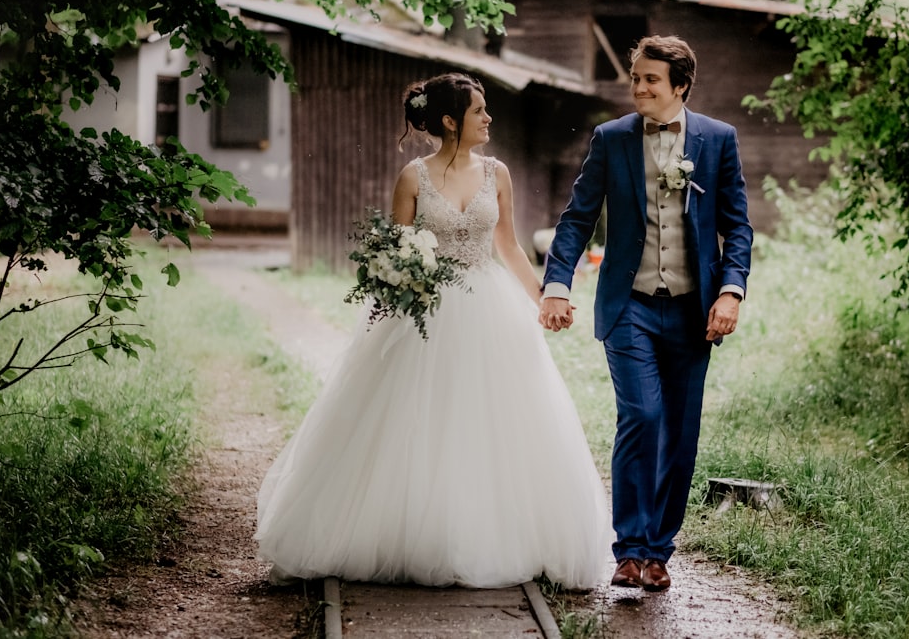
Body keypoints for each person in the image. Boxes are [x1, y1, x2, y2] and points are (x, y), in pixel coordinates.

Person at [255, 72, 611, 590]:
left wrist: (545, 297)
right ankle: (412, 533)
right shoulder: (412, 177)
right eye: (478, 111)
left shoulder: (498, 173)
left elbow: (508, 245)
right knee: (420, 416)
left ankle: (491, 529)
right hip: (426, 312)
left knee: (491, 419)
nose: (488, 118)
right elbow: (398, 253)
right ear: (450, 121)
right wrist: (390, 301)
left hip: (491, 307)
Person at [539, 35, 753, 592]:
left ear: (679, 85)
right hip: (629, 305)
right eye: (635, 77)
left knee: (680, 432)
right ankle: (629, 549)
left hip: (691, 311)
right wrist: (556, 283)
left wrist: (731, 290)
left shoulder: (718, 139)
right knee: (643, 415)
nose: (638, 87)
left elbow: (738, 224)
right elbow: (576, 217)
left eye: (650, 79)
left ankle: (659, 550)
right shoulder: (611, 140)